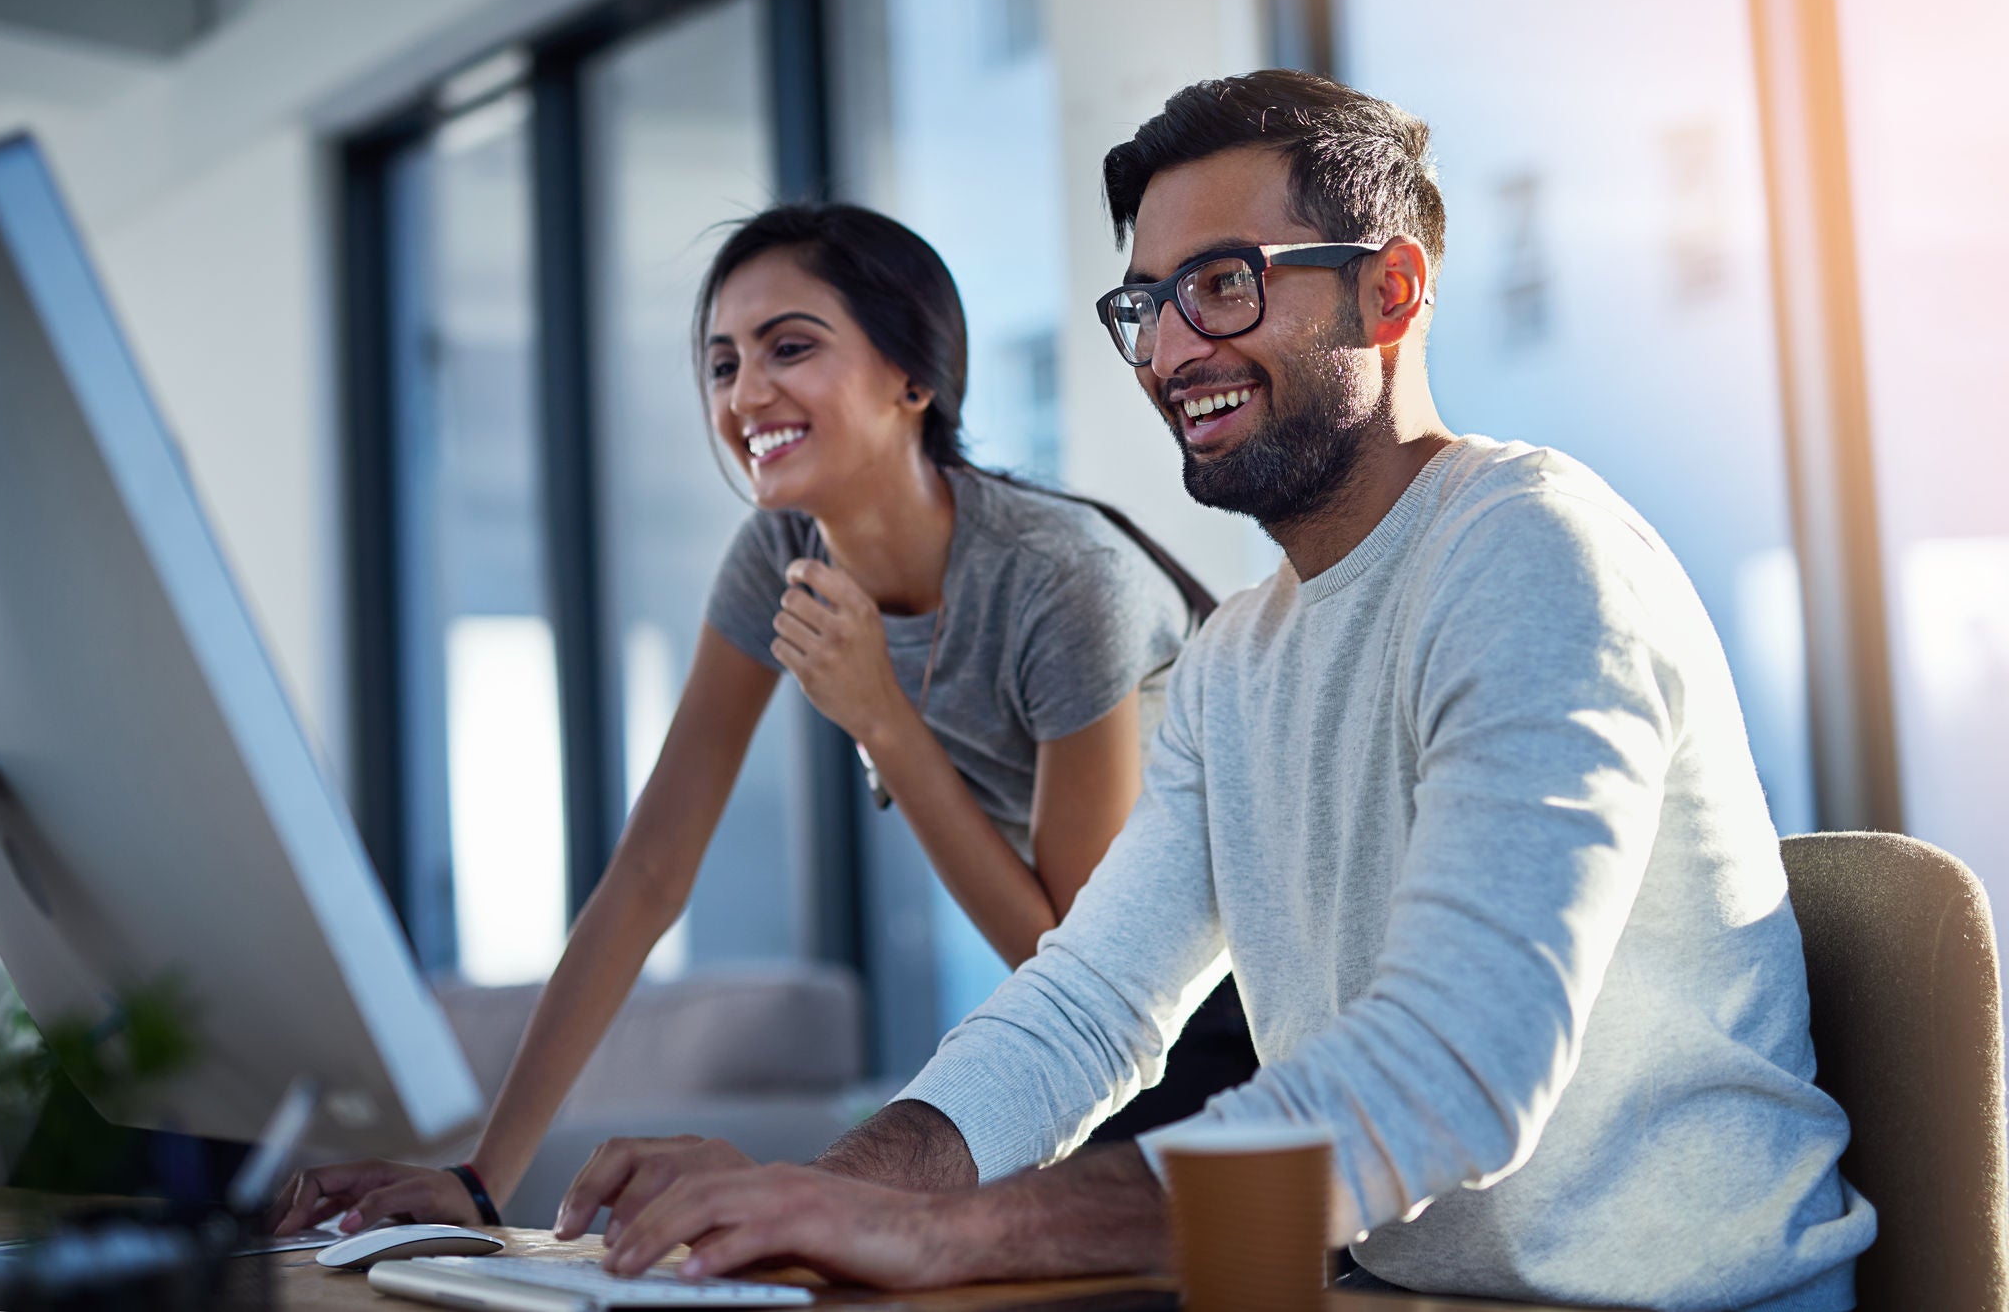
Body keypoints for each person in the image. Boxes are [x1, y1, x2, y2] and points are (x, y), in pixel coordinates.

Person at [554, 71, 1879, 1312]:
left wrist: (947, 1230)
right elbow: (1086, 1008)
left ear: (1392, 292)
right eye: (1147, 302)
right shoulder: (1238, 656)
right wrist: (820, 1191)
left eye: (1225, 285)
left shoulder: (1531, 550)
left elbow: (1455, 1071)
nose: (1171, 347)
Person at [272, 204, 1254, 1235]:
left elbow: (1069, 959)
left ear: (911, 378)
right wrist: (479, 1179)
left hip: (1227, 1005)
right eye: (721, 363)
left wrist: (882, 721)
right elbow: (648, 872)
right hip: (1077, 1035)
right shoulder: (775, 552)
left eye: (790, 347)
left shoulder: (1062, 581)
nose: (746, 393)